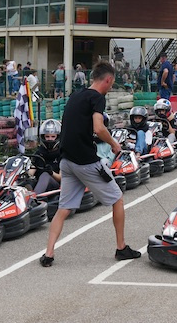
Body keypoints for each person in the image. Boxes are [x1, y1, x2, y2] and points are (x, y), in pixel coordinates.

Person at [40, 61, 140, 267]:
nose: (111, 87)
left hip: (66, 161)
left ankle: (48, 253)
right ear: (108, 80)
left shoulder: (75, 96)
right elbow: (99, 127)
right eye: (111, 84)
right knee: (117, 199)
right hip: (85, 162)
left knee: (63, 208)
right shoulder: (97, 98)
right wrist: (114, 144)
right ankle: (121, 248)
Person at [29, 120, 62, 194]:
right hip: (39, 182)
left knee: (45, 175)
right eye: (47, 136)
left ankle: (33, 198)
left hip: (55, 184)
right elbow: (32, 170)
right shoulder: (39, 153)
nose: (50, 139)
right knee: (26, 180)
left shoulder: (62, 154)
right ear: (43, 137)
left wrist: (51, 172)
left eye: (53, 136)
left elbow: (60, 177)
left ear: (58, 137)